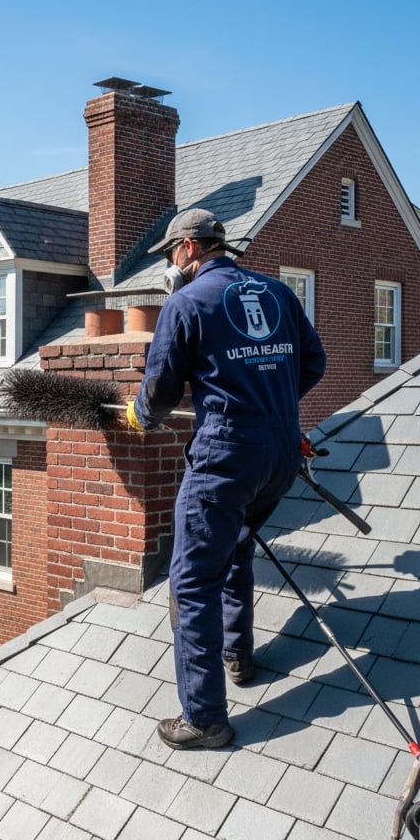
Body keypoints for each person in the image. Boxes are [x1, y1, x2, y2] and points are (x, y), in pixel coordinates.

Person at [126, 208, 326, 749]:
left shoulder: (185, 302)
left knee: (190, 579)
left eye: (170, 254)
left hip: (224, 459)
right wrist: (271, 411)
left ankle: (205, 718)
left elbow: (163, 388)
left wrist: (140, 415)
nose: (170, 264)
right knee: (236, 544)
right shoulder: (279, 294)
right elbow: (314, 364)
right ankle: (238, 656)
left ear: (189, 248)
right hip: (280, 454)